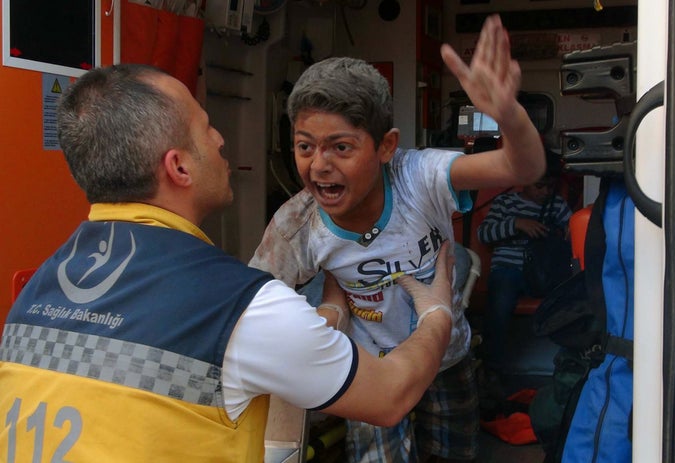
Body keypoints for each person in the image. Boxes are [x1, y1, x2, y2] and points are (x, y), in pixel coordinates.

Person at [0, 63, 460, 463]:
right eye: (205, 127)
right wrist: (437, 310)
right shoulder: (242, 307)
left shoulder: (33, 296)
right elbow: (389, 395)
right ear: (179, 167)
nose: (221, 139)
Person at [249, 14, 545, 463]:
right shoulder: (297, 224)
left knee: (452, 454)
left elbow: (521, 168)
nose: (319, 164)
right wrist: (326, 315)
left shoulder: (419, 177)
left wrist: (508, 115)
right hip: (369, 373)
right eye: (305, 146)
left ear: (386, 146)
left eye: (341, 147)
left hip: (447, 357)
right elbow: (252, 306)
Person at [476, 151, 572, 374]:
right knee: (500, 302)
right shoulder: (505, 203)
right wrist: (517, 224)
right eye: (540, 186)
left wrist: (567, 231)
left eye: (550, 186)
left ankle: (562, 363)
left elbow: (571, 226)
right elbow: (484, 234)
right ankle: (493, 366)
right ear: (524, 182)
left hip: (543, 271)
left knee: (568, 297)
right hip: (509, 269)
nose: (545, 192)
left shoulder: (555, 205)